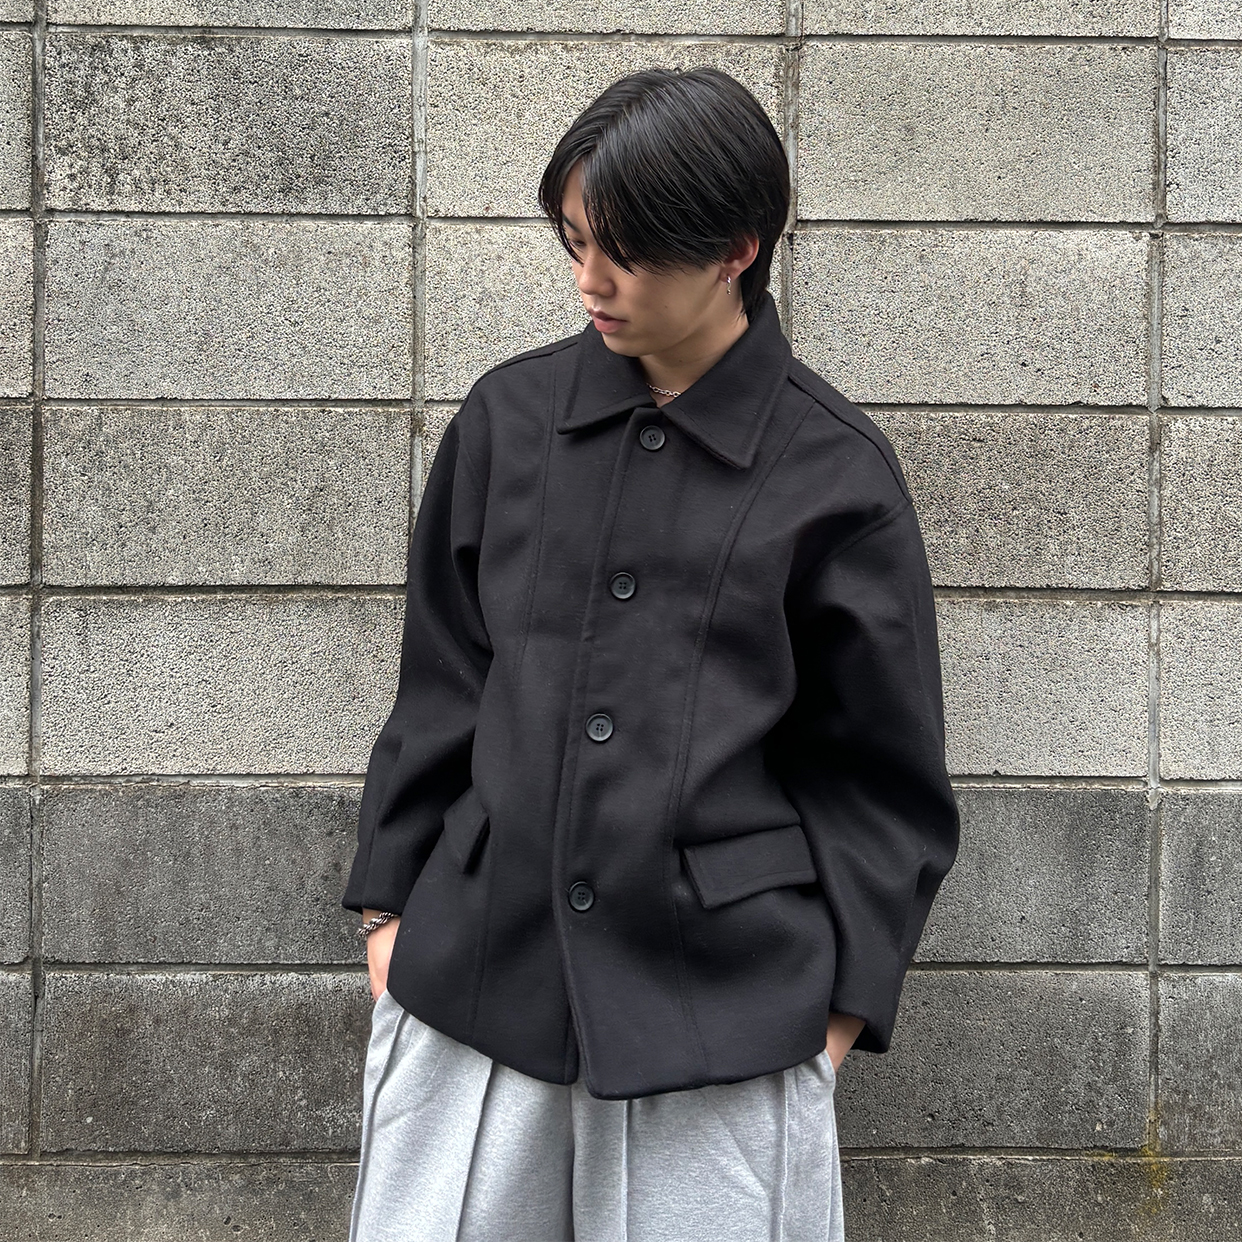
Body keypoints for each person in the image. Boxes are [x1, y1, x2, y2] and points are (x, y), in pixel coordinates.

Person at [341, 65, 959, 1242]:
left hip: (723, 1010)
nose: (591, 281)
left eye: (625, 252)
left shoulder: (835, 475)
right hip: (477, 979)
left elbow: (880, 779)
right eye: (576, 243)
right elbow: (441, 685)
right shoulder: (508, 424)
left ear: (735, 250)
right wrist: (387, 919)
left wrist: (831, 1018)